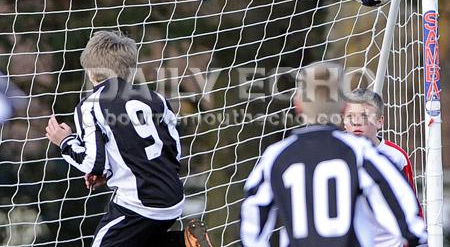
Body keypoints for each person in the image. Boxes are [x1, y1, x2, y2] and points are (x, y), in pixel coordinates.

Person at [46, 31, 212, 247]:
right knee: (138, 239)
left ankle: (182, 243)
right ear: (128, 70)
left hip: (139, 203)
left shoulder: (91, 105)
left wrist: (65, 141)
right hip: (173, 197)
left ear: (90, 72)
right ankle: (187, 242)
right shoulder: (155, 98)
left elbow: (92, 163)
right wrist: (118, 171)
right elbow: (172, 149)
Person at [240, 62, 426, 246]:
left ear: (298, 106)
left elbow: (251, 228)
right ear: (344, 107)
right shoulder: (360, 152)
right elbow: (410, 221)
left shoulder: (275, 156)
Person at [343, 88, 423, 246]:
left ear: (380, 121)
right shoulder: (335, 153)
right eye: (350, 116)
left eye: (365, 116)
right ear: (343, 122)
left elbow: (410, 204)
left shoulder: (396, 156)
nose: (357, 122)